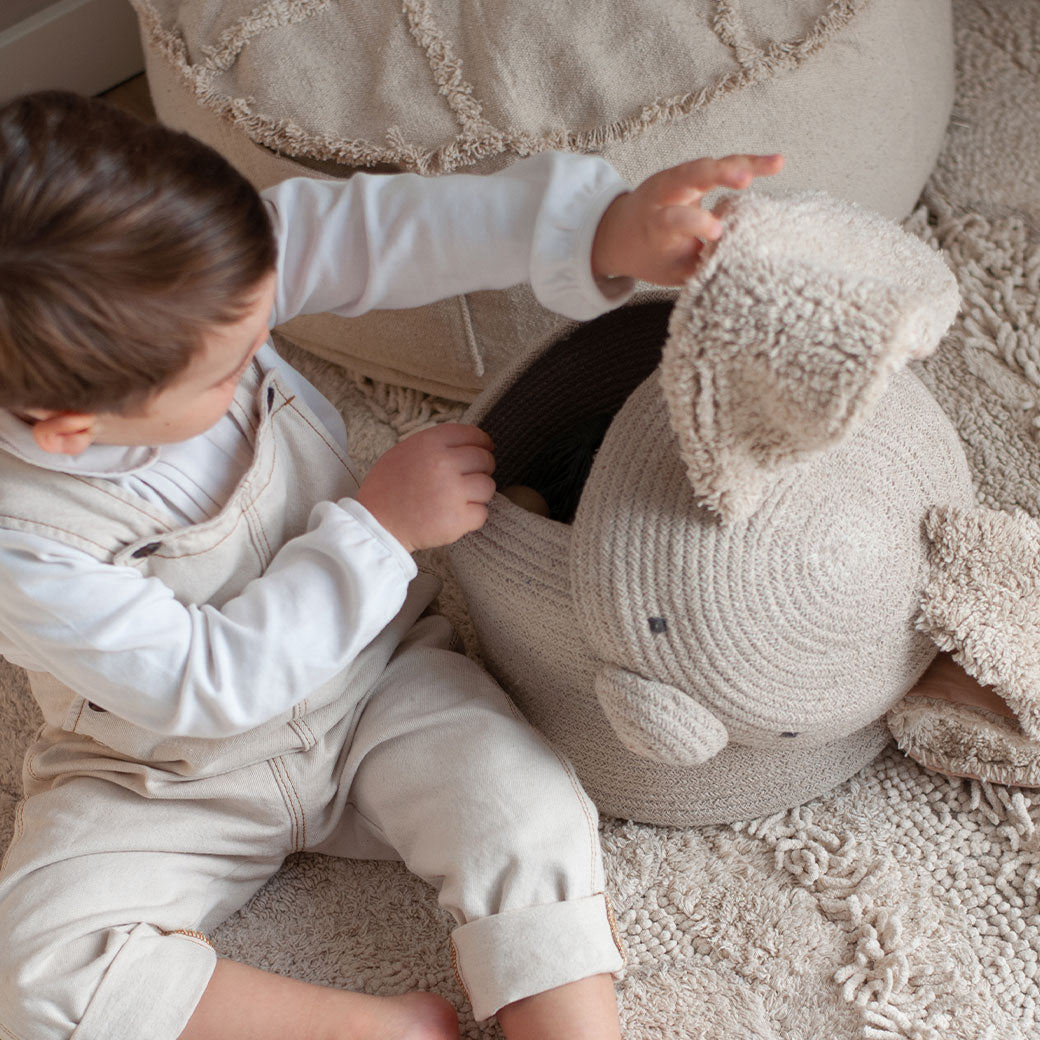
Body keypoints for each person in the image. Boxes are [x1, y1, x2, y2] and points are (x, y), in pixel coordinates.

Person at [0, 89, 783, 1040]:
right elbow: (205, 681)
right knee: (36, 974)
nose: (262, 341)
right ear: (70, 429)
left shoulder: (205, 264)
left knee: (522, 804)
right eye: (229, 368)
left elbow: (386, 231)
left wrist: (600, 229)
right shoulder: (23, 538)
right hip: (162, 774)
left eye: (262, 314)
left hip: (376, 679)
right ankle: (376, 1030)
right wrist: (378, 529)